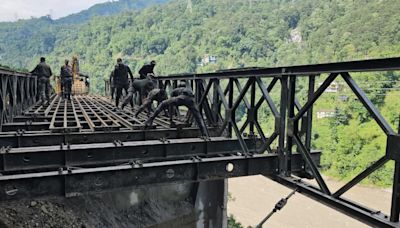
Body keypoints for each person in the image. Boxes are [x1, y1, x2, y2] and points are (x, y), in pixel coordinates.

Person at [144, 84, 209, 137]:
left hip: (182, 98)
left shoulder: (174, 91)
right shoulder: (187, 89)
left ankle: (151, 119)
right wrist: (187, 120)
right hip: (191, 99)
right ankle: (205, 134)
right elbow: (190, 110)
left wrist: (171, 119)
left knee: (163, 103)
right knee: (198, 117)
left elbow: (171, 106)